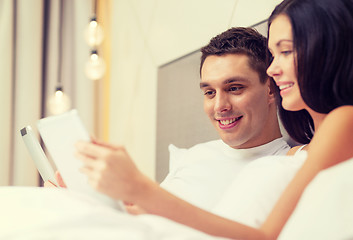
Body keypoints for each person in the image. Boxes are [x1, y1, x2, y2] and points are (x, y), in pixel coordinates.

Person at [75, 0, 353, 239]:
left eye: (286, 51)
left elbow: (264, 236)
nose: (273, 68)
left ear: (325, 50)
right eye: (208, 91)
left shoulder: (344, 120)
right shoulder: (297, 153)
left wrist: (143, 189)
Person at [49, 27, 290, 213]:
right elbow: (142, 216)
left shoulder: (290, 166)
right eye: (209, 92)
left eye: (235, 88)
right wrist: (90, 202)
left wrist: (139, 186)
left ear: (270, 89)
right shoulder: (194, 156)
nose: (219, 106)